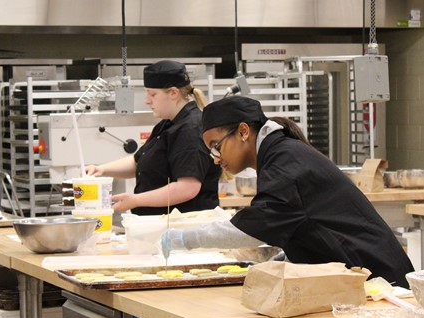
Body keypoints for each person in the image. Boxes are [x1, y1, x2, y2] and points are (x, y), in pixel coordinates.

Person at [162, 95, 414, 288]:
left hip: (382, 284)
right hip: (364, 277)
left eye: (216, 147)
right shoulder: (279, 156)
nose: (216, 159)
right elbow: (299, 225)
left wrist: (186, 239)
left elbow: (257, 225)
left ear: (242, 131)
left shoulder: (285, 161)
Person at [85, 60, 221, 215]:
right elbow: (139, 162)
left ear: (173, 93)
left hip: (185, 227)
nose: (147, 100)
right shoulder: (166, 125)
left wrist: (136, 200)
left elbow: (187, 188)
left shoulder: (190, 129)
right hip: (161, 226)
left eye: (153, 94)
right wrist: (101, 170)